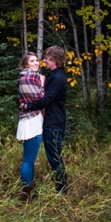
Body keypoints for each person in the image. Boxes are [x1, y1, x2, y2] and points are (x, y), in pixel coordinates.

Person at [20, 46, 69, 194]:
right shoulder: (53, 75)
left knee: (54, 158)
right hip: (50, 121)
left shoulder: (57, 77)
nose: (44, 61)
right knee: (53, 157)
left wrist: (28, 105)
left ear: (53, 59)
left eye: (46, 58)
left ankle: (62, 190)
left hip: (54, 123)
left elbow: (47, 99)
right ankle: (61, 187)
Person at [17, 52, 45, 201]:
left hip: (29, 119)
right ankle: (26, 194)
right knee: (29, 160)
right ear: (26, 64)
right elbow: (41, 98)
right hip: (32, 121)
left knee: (29, 159)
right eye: (32, 61)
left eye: (37, 60)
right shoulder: (32, 77)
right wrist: (43, 82)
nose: (36, 63)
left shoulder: (23, 77)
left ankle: (28, 189)